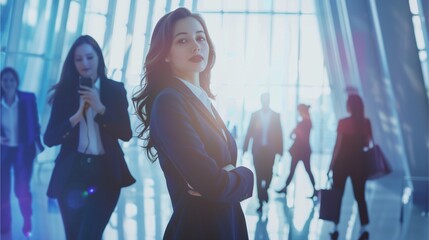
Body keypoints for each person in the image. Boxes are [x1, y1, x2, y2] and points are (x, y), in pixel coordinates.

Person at [132, 8, 253, 239]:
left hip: (225, 224)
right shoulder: (169, 101)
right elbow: (210, 182)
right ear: (165, 53)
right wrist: (246, 175)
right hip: (200, 228)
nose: (196, 46)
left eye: (200, 38)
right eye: (183, 40)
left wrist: (227, 174)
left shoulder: (201, 100)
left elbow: (215, 180)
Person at [43, 35, 135, 240]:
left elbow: (126, 133)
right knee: (74, 236)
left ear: (98, 59)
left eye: (89, 57)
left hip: (105, 174)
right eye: (78, 59)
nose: (84, 63)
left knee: (89, 235)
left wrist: (100, 108)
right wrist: (75, 117)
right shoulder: (64, 93)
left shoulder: (114, 90)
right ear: (72, 63)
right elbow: (49, 138)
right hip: (72, 174)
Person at [1, 67, 44, 237]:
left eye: (12, 80)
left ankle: (27, 219)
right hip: (3, 151)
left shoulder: (27, 98)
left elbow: (35, 123)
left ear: (16, 82)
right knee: (2, 191)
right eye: (5, 80)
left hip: (22, 149)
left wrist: (36, 144)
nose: (8, 83)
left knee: (21, 189)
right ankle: (5, 226)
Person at [328, 94, 372, 240]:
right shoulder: (366, 123)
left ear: (350, 106)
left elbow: (338, 146)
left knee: (337, 196)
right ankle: (364, 228)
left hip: (341, 164)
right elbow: (367, 144)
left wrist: (331, 165)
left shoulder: (343, 122)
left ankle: (335, 228)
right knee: (360, 197)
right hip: (359, 164)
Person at [243, 92, 283, 212]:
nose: (265, 102)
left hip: (270, 150)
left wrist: (280, 150)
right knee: (259, 175)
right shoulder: (255, 115)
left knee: (269, 174)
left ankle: (264, 192)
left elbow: (279, 134)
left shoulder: (276, 115)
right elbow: (249, 132)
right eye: (264, 100)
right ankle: (261, 200)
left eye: (267, 99)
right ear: (261, 101)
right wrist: (245, 147)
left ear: (269, 101)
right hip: (258, 150)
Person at [277, 104, 316, 198]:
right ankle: (314, 190)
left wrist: (295, 136)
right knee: (303, 170)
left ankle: (285, 188)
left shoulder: (303, 123)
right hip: (304, 150)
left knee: (296, 170)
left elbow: (292, 134)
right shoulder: (308, 122)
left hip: (300, 151)